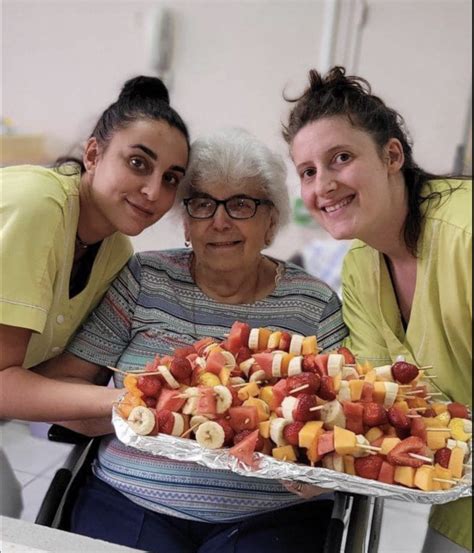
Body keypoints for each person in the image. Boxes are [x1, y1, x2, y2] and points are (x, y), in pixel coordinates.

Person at [38, 128, 348, 553]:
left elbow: (342, 417)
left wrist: (316, 468)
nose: (219, 221)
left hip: (270, 515)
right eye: (203, 204)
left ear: (271, 221)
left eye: (241, 204)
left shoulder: (313, 303)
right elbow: (66, 386)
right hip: (129, 499)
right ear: (186, 221)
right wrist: (127, 409)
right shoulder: (144, 279)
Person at [283, 66, 472, 552]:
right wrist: (329, 462)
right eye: (308, 171)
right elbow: (386, 398)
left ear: (391, 156)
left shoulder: (465, 236)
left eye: (340, 158)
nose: (323, 185)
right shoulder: (363, 266)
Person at [0, 75, 189, 433]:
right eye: (138, 163)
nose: (153, 191)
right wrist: (134, 400)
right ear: (92, 154)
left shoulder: (116, 252)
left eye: (170, 179)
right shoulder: (38, 205)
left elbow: (57, 387)